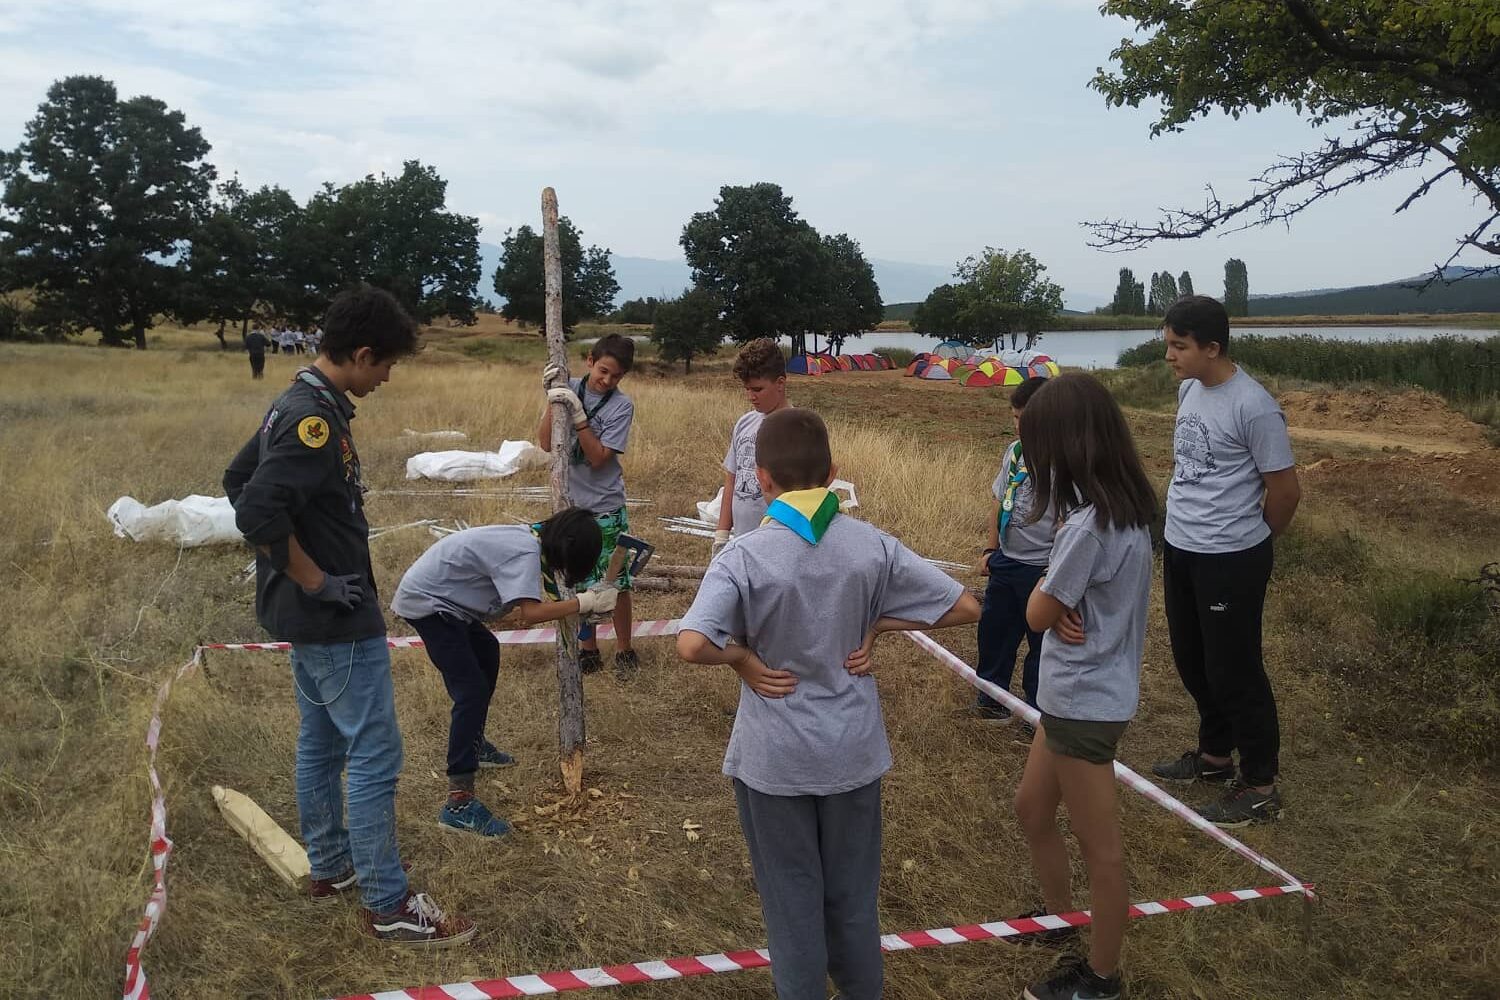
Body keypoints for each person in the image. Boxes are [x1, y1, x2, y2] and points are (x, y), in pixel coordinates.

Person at [677, 408, 981, 1000]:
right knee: (853, 899)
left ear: (761, 479)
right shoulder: (873, 545)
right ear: (833, 472)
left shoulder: (742, 556)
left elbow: (691, 643)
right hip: (852, 752)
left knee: (792, 904)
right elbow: (965, 606)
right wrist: (879, 624)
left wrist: (742, 659)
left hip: (775, 760)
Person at [223, 286, 475, 948]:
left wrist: (297, 573)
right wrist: (313, 578)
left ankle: (331, 866)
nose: (387, 376)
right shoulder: (313, 421)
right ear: (362, 354)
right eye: (386, 363)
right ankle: (388, 904)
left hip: (310, 619)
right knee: (373, 752)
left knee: (322, 741)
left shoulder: (298, 402)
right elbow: (254, 508)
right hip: (334, 619)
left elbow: (237, 480)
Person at [1010, 373, 1156, 1000]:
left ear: (1065, 448)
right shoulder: (1126, 513)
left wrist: (1051, 596)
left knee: (1102, 850)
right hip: (1076, 696)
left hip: (1083, 702)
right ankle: (1059, 918)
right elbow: (1067, 600)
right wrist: (1060, 597)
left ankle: (1100, 977)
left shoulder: (1087, 527)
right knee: (1032, 808)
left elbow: (1036, 614)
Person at [1149, 295, 1301, 827]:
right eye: (1168, 344)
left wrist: (1252, 539)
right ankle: (1214, 757)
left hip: (1231, 557)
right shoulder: (1190, 389)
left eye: (1179, 346)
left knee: (1235, 669)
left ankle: (1259, 784)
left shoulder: (1254, 406)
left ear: (1212, 348)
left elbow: (1285, 491)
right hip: (1182, 546)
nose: (1169, 355)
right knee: (1193, 660)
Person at [390, 512, 609, 837]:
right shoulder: (525, 550)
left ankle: (474, 743)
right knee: (471, 692)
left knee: (487, 651)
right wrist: (584, 603)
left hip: (448, 602)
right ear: (569, 548)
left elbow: (514, 610)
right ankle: (459, 804)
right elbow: (530, 614)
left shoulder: (530, 540)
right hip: (430, 604)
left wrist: (584, 602)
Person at [536, 333, 639, 679]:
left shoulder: (621, 406)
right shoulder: (569, 387)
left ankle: (625, 649)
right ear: (591, 361)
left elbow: (597, 458)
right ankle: (589, 649)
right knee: (578, 580)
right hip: (571, 507)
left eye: (616, 376)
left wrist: (579, 417)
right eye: (603, 371)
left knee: (615, 581)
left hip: (605, 505)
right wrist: (552, 400)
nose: (607, 380)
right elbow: (546, 443)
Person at [973, 376, 1053, 737]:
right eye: (1015, 417)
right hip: (1007, 559)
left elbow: (1069, 522)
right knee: (995, 632)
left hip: (1042, 568)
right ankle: (991, 698)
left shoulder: (1064, 461)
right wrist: (991, 549)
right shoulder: (1015, 453)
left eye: (1024, 419)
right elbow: (998, 499)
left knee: (1042, 644)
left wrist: (1054, 571)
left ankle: (1037, 713)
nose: (1017, 426)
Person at [713, 338, 790, 557]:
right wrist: (721, 536)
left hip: (777, 545)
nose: (751, 397)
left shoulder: (795, 428)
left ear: (780, 383)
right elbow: (731, 481)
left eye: (758, 389)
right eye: (747, 389)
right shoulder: (744, 423)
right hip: (742, 542)